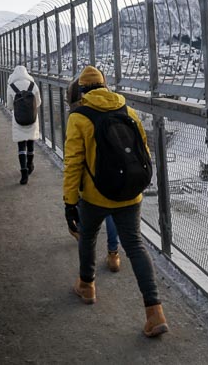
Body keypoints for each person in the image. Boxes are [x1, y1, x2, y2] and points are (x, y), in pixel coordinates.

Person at [63, 65, 168, 337]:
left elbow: (73, 162)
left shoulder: (79, 116)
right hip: (130, 195)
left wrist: (69, 201)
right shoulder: (128, 111)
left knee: (87, 236)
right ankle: (154, 312)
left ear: (82, 91)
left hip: (95, 196)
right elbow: (143, 151)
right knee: (134, 245)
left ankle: (87, 285)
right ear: (105, 86)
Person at [66, 78, 122, 273]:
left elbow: (73, 158)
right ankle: (113, 253)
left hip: (88, 177)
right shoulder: (115, 105)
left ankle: (87, 280)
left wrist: (69, 200)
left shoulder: (77, 112)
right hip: (113, 172)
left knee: (87, 215)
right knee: (112, 212)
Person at [6, 65, 41, 184]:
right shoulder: (33, 85)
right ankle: (30, 164)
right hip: (32, 117)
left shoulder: (11, 86)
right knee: (31, 143)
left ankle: (24, 172)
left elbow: (10, 106)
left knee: (21, 147)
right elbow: (39, 102)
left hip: (19, 119)